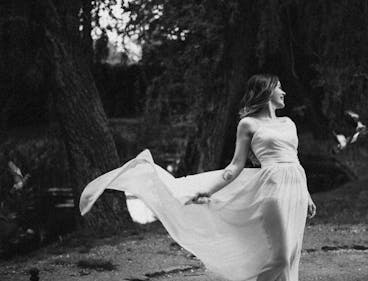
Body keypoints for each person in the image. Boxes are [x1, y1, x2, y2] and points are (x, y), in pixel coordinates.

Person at [79, 73, 316, 281]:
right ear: (266, 91)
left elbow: (295, 162)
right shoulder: (248, 124)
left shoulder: (289, 123)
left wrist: (306, 195)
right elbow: (234, 167)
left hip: (295, 189)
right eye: (279, 87)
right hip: (272, 190)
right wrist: (208, 190)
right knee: (281, 258)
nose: (284, 92)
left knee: (292, 255)